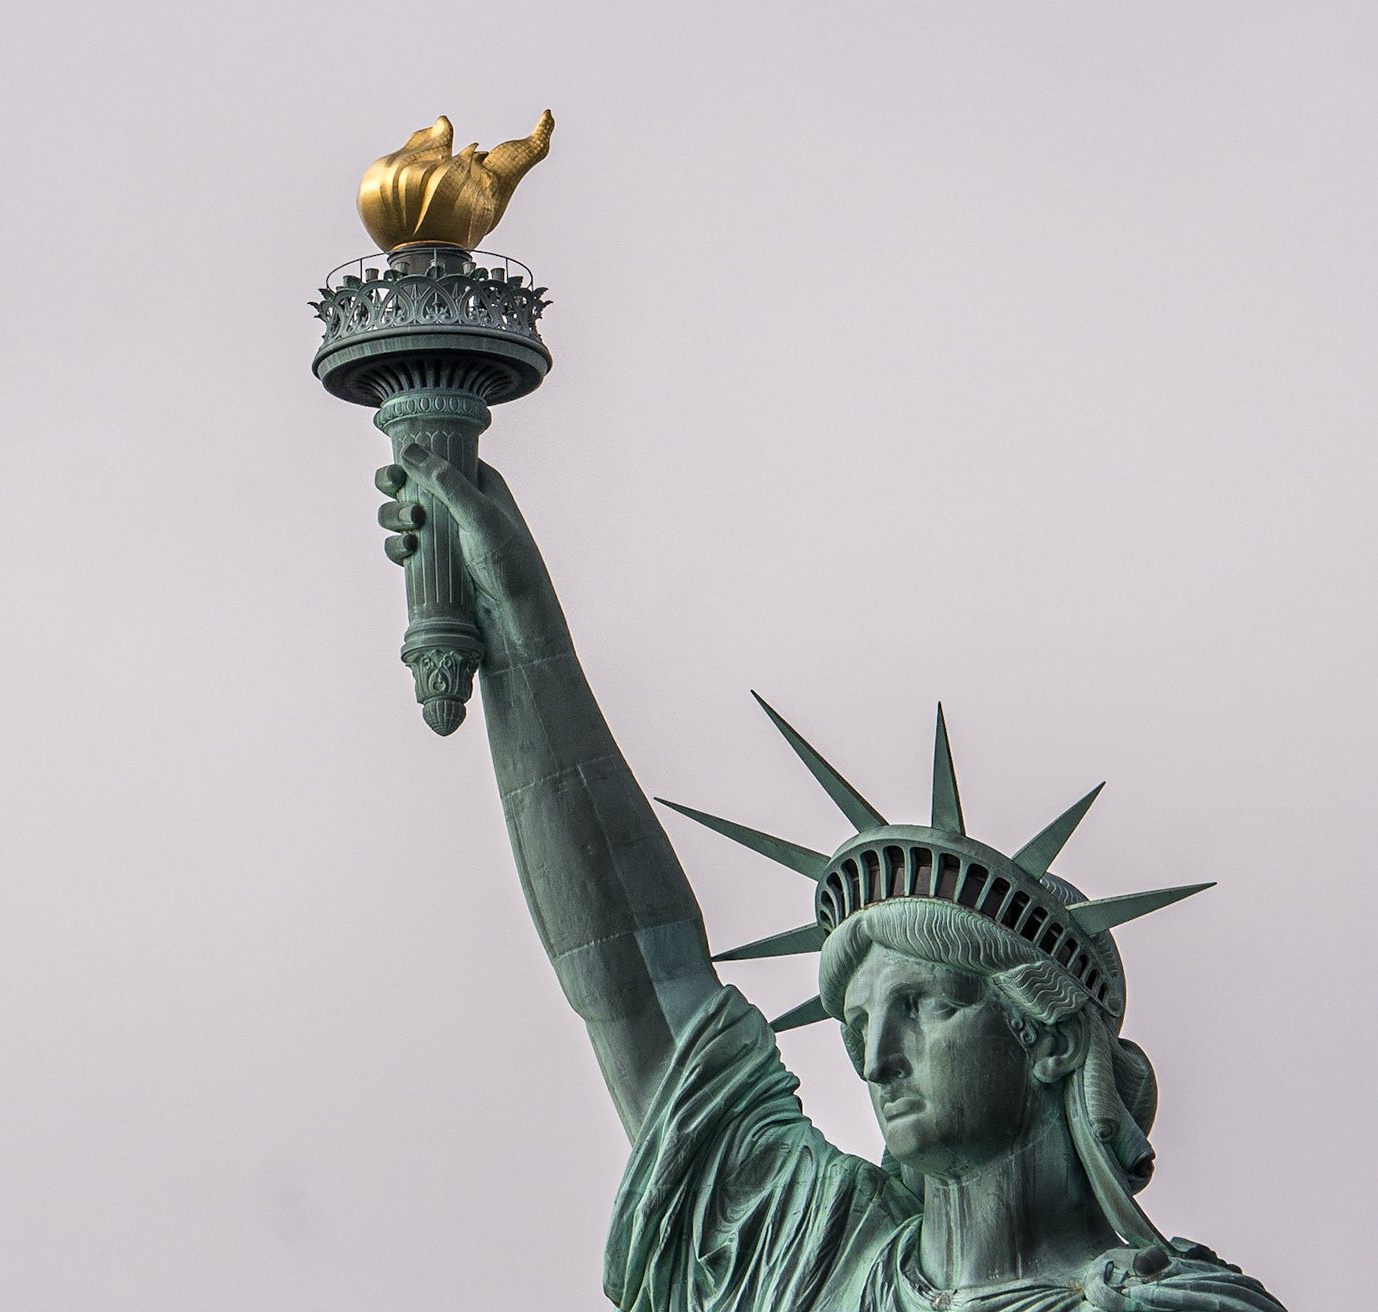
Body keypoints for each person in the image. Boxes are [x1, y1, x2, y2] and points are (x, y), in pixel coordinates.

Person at [373, 444, 1284, 1311]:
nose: (878, 1060)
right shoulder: (810, 1258)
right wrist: (523, 634)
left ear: (1045, 1038)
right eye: (856, 1025)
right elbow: (635, 981)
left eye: (926, 1006)